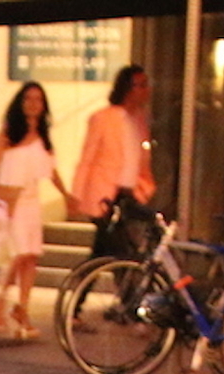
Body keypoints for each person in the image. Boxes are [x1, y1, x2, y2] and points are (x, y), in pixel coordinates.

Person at [0, 81, 78, 339]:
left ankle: (22, 308)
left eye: (38, 100)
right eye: (28, 99)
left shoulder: (43, 137)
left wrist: (66, 195)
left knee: (31, 255)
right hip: (12, 200)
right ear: (20, 103)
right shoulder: (9, 133)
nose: (33, 104)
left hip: (31, 201)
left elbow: (51, 170)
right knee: (19, 254)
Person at [69, 64, 157, 255]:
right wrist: (76, 194)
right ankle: (122, 281)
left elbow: (141, 158)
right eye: (140, 85)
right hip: (106, 194)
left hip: (130, 192)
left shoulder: (139, 120)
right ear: (127, 88)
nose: (146, 90)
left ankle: (84, 281)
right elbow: (87, 157)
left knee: (106, 248)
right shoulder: (103, 118)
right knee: (118, 247)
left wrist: (144, 187)